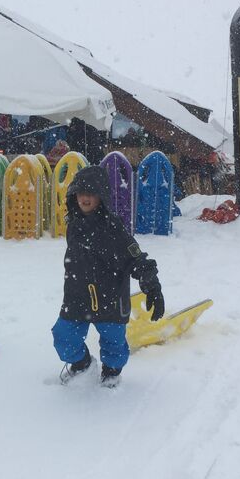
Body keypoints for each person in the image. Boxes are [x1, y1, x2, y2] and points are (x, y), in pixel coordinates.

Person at [52, 166, 165, 388]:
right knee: (64, 336)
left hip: (110, 297)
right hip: (78, 295)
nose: (84, 198)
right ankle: (82, 365)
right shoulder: (73, 224)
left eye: (91, 193)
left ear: (101, 197)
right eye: (80, 192)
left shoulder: (113, 228)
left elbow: (136, 257)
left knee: (114, 343)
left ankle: (112, 372)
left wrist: (152, 285)